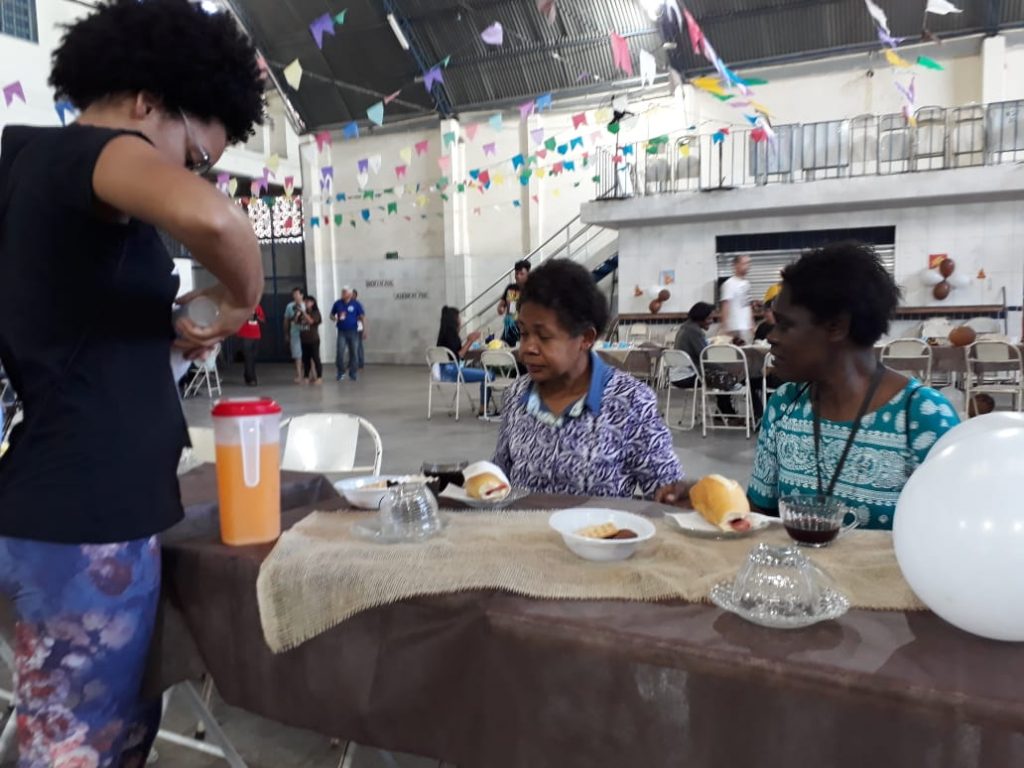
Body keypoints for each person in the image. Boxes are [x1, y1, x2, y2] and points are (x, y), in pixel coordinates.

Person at [0, 1, 265, 763]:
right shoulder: (91, 150)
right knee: (77, 748)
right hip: (82, 517)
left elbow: (75, 332)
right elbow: (218, 224)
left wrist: (169, 330)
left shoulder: (43, 173)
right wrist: (243, 298)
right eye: (196, 155)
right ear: (148, 100)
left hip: (77, 506)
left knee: (102, 734)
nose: (191, 174)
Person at [658, 243, 960, 530]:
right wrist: (708, 501)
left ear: (836, 327)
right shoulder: (785, 405)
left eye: (785, 325)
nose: (772, 337)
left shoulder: (921, 417)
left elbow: (950, 540)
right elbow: (761, 514)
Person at [494, 260, 682, 497]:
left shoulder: (630, 401)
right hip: (519, 521)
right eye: (524, 333)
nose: (527, 349)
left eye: (543, 336)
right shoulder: (517, 395)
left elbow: (666, 490)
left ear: (585, 338)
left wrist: (682, 496)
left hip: (601, 523)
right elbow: (499, 475)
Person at [671, 302, 737, 417]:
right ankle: (728, 414)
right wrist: (726, 370)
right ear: (700, 318)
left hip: (678, 374)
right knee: (724, 376)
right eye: (709, 318)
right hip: (688, 376)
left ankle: (725, 412)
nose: (711, 321)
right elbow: (705, 358)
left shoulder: (686, 328)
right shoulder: (694, 332)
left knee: (722, 373)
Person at [436, 306, 495, 416]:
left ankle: (484, 406)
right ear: (454, 320)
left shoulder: (443, 334)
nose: (460, 319)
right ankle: (483, 408)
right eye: (458, 317)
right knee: (489, 375)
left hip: (441, 372)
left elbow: (454, 354)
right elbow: (459, 355)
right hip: (453, 372)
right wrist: (470, 341)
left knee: (483, 371)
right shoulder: (451, 335)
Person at [331, 286, 365, 382]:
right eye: (342, 292)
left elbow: (362, 316)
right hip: (341, 331)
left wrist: (364, 330)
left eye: (344, 292)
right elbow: (331, 315)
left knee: (354, 352)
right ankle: (341, 372)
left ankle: (353, 373)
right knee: (340, 352)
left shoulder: (356, 304)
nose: (342, 294)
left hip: (353, 331)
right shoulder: (337, 303)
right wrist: (335, 319)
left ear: (349, 294)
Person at [497, 259, 530, 346]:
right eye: (516, 273)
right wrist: (501, 309)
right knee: (502, 348)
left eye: (521, 274)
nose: (518, 276)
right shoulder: (510, 288)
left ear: (528, 274)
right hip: (510, 326)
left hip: (525, 327)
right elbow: (501, 306)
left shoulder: (531, 289)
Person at [720, 254, 753, 343]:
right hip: (734, 327)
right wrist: (724, 327)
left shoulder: (746, 283)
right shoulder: (729, 284)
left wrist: (752, 324)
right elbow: (725, 305)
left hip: (746, 327)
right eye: (744, 263)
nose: (747, 266)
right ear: (736, 265)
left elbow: (747, 305)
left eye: (748, 263)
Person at [236, 303, 265, 386]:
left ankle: (247, 374)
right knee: (248, 357)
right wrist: (246, 318)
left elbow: (263, 320)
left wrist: (256, 317)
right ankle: (252, 378)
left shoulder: (257, 306)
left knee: (253, 357)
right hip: (245, 334)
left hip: (256, 335)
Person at [299, 295, 323, 385]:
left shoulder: (315, 312)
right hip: (304, 340)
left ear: (312, 303)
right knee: (306, 359)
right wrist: (298, 313)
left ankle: (319, 377)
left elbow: (311, 321)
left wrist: (304, 313)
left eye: (307, 302)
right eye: (305, 302)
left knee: (316, 358)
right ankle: (306, 377)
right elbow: (296, 321)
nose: (306, 303)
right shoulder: (302, 312)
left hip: (313, 339)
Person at [284, 286, 305, 384]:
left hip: (306, 333)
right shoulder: (290, 306)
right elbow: (286, 320)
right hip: (295, 333)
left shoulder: (306, 305)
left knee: (309, 354)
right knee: (297, 355)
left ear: (302, 295)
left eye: (297, 294)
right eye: (294, 294)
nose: (295, 296)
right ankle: (299, 374)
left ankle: (310, 374)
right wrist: (286, 333)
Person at [353, 288, 365, 370]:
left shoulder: (358, 304)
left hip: (358, 328)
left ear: (356, 296)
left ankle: (360, 364)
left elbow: (362, 317)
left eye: (353, 295)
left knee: (358, 346)